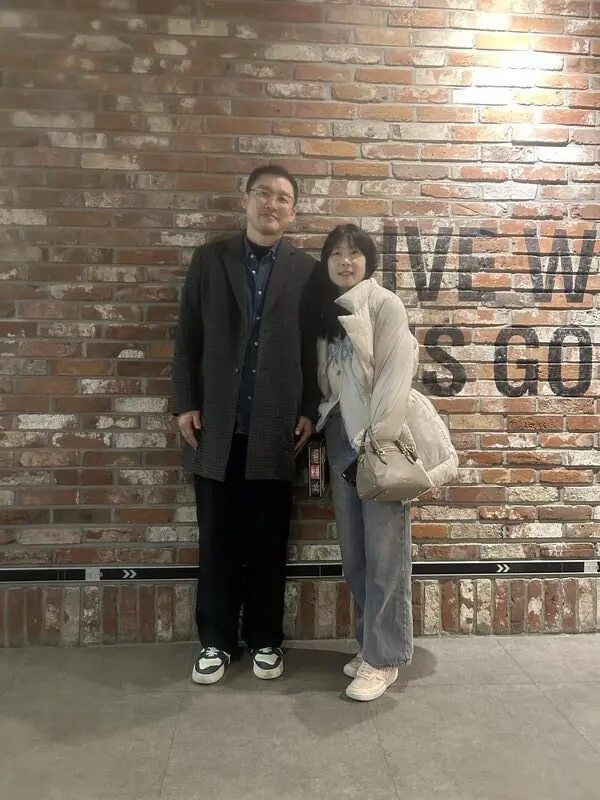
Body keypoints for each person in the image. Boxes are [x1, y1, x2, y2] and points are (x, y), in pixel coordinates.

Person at [172, 165, 319, 685]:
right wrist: (185, 402)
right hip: (215, 425)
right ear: (246, 200)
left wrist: (309, 407)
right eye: (263, 193)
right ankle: (215, 641)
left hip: (277, 429)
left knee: (268, 541)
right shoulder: (211, 259)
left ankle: (264, 639)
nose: (271, 204)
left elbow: (314, 348)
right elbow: (188, 335)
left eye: (282, 198)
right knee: (216, 539)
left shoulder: (306, 271)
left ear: (293, 211)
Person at [316, 224, 421, 702]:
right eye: (336, 253)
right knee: (356, 555)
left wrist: (376, 440)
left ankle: (385, 658)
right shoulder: (329, 313)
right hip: (339, 438)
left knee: (385, 555)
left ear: (369, 261)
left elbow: (396, 378)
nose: (345, 261)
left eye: (354, 253)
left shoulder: (385, 306)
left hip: (376, 442)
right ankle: (370, 644)